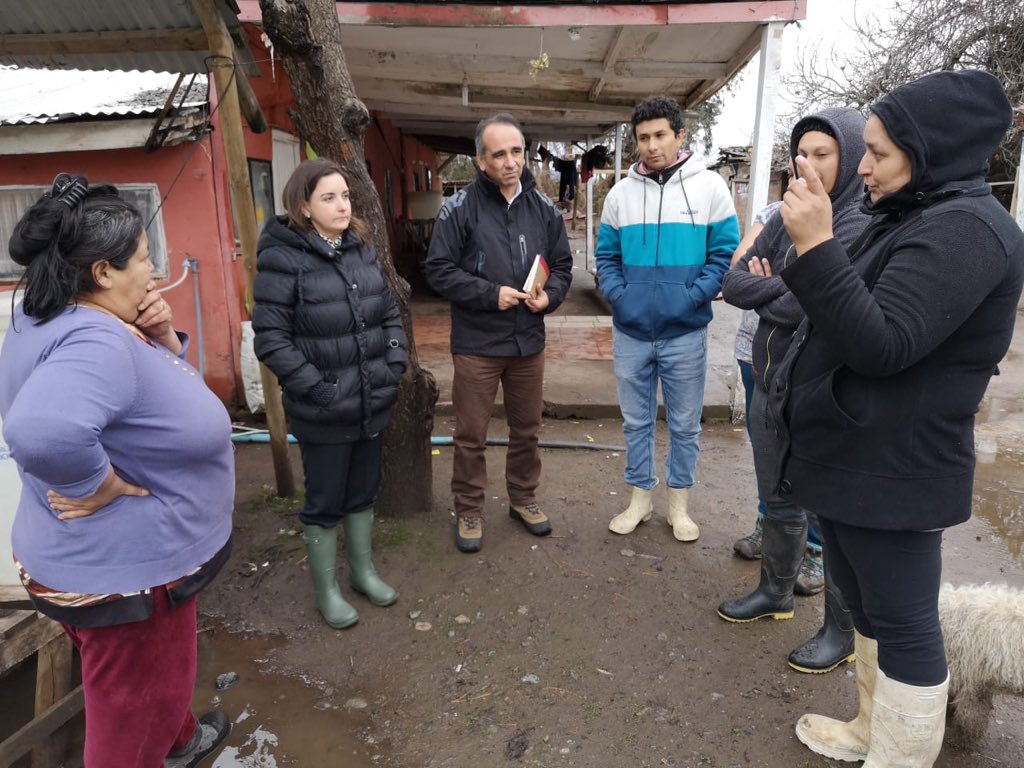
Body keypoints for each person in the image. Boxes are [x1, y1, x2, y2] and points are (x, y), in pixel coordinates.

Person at [775, 70, 1023, 766]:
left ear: (930, 148)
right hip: (856, 455)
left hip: (896, 467)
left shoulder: (970, 230)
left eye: (878, 152)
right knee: (866, 607)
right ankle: (870, 730)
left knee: (906, 622)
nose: (862, 165)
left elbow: (882, 344)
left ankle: (901, 756)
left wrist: (818, 246)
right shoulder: (915, 214)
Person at [0, 174, 233, 768]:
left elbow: (132, 402)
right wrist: (96, 484)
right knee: (126, 716)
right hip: (129, 578)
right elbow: (42, 431)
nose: (153, 274)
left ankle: (178, 740)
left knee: (150, 682)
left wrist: (158, 338)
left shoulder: (39, 313)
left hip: (78, 558)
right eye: (145, 261)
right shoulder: (96, 342)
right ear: (102, 272)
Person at [718, 109, 870, 676]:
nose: (806, 165)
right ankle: (775, 592)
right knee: (776, 496)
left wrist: (769, 282)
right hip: (771, 378)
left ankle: (839, 629)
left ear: (851, 156)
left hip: (823, 390)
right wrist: (769, 283)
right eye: (800, 154)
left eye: (822, 154)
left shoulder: (857, 221)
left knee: (828, 514)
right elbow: (733, 283)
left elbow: (799, 302)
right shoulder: (791, 210)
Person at [253, 158, 408, 628]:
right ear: (303, 205)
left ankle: (362, 572)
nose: (343, 205)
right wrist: (318, 390)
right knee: (324, 500)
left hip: (370, 399)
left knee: (363, 492)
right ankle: (327, 590)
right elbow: (271, 339)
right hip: (324, 408)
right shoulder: (283, 256)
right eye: (329, 197)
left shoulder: (360, 246)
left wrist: (394, 362)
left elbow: (388, 313)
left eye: (345, 195)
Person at [424, 113, 573, 553]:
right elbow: (438, 269)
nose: (510, 162)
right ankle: (469, 508)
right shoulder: (459, 209)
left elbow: (562, 267)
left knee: (527, 429)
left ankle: (523, 498)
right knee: (471, 433)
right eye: (499, 154)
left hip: (528, 341)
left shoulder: (544, 209)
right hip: (478, 344)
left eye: (517, 151)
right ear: (480, 160)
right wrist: (490, 293)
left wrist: (552, 297)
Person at [596, 95, 739, 541]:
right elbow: (606, 256)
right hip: (631, 332)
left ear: (680, 135)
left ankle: (679, 505)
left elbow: (723, 253)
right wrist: (620, 297)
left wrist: (693, 298)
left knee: (684, 424)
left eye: (660, 135)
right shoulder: (620, 194)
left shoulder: (711, 188)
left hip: (685, 332)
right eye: (643, 138)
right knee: (636, 422)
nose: (652, 145)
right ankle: (640, 499)